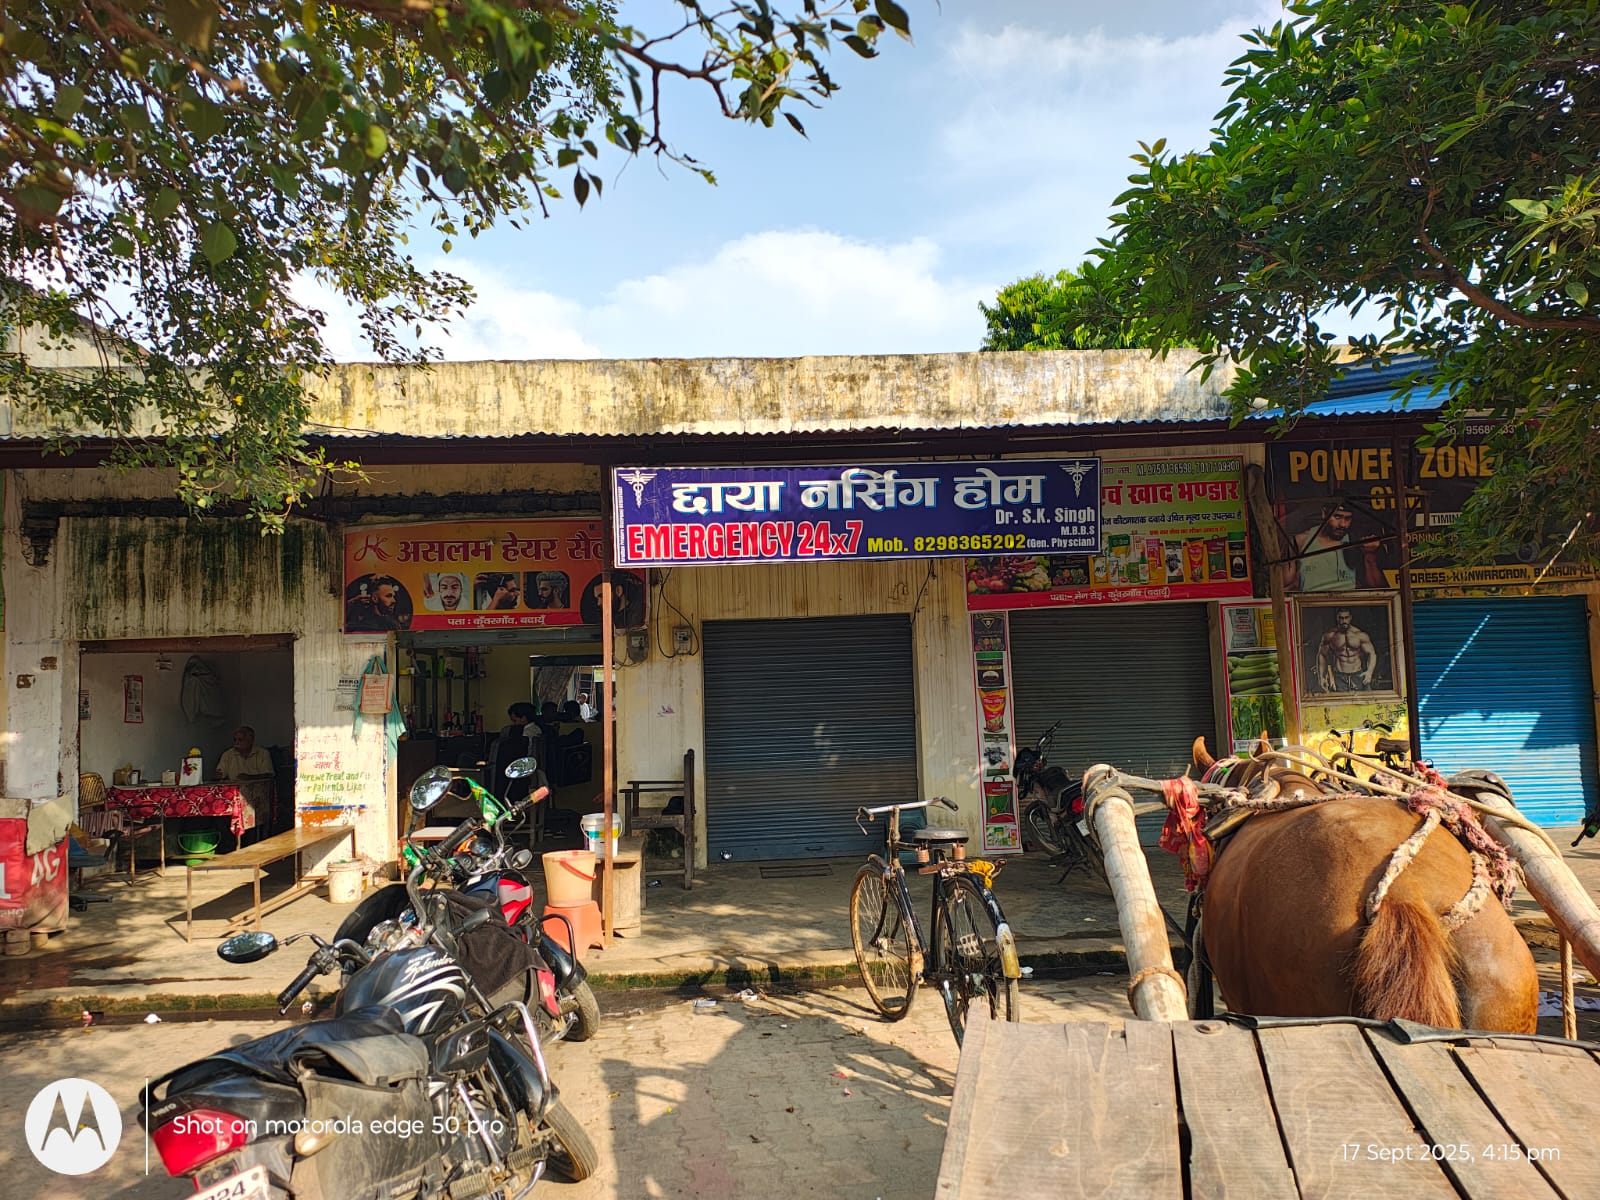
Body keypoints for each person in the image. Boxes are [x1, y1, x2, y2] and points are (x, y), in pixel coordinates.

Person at [1289, 500, 1383, 592]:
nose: (1343, 524)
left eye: (1348, 518)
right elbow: (1286, 585)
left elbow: (1376, 589)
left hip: (1349, 601)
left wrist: (1369, 556)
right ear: (1324, 514)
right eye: (1337, 517)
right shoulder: (1301, 541)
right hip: (1311, 601)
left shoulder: (1355, 542)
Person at [1316, 608, 1379, 692]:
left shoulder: (1360, 635)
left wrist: (1369, 672)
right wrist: (1321, 677)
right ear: (1337, 618)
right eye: (1341, 618)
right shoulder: (1330, 636)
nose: (1344, 621)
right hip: (1339, 677)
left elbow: (1372, 653)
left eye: (1346, 617)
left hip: (1358, 675)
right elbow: (1322, 655)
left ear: (1350, 617)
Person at [579, 570, 646, 627]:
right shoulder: (612, 620)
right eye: (597, 599)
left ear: (618, 591)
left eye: (602, 596)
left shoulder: (638, 615)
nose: (598, 603)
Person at [345, 575, 412, 630]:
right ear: (375, 598)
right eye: (388, 596)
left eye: (393, 596)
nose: (394, 601)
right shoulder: (362, 626)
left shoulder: (392, 624)